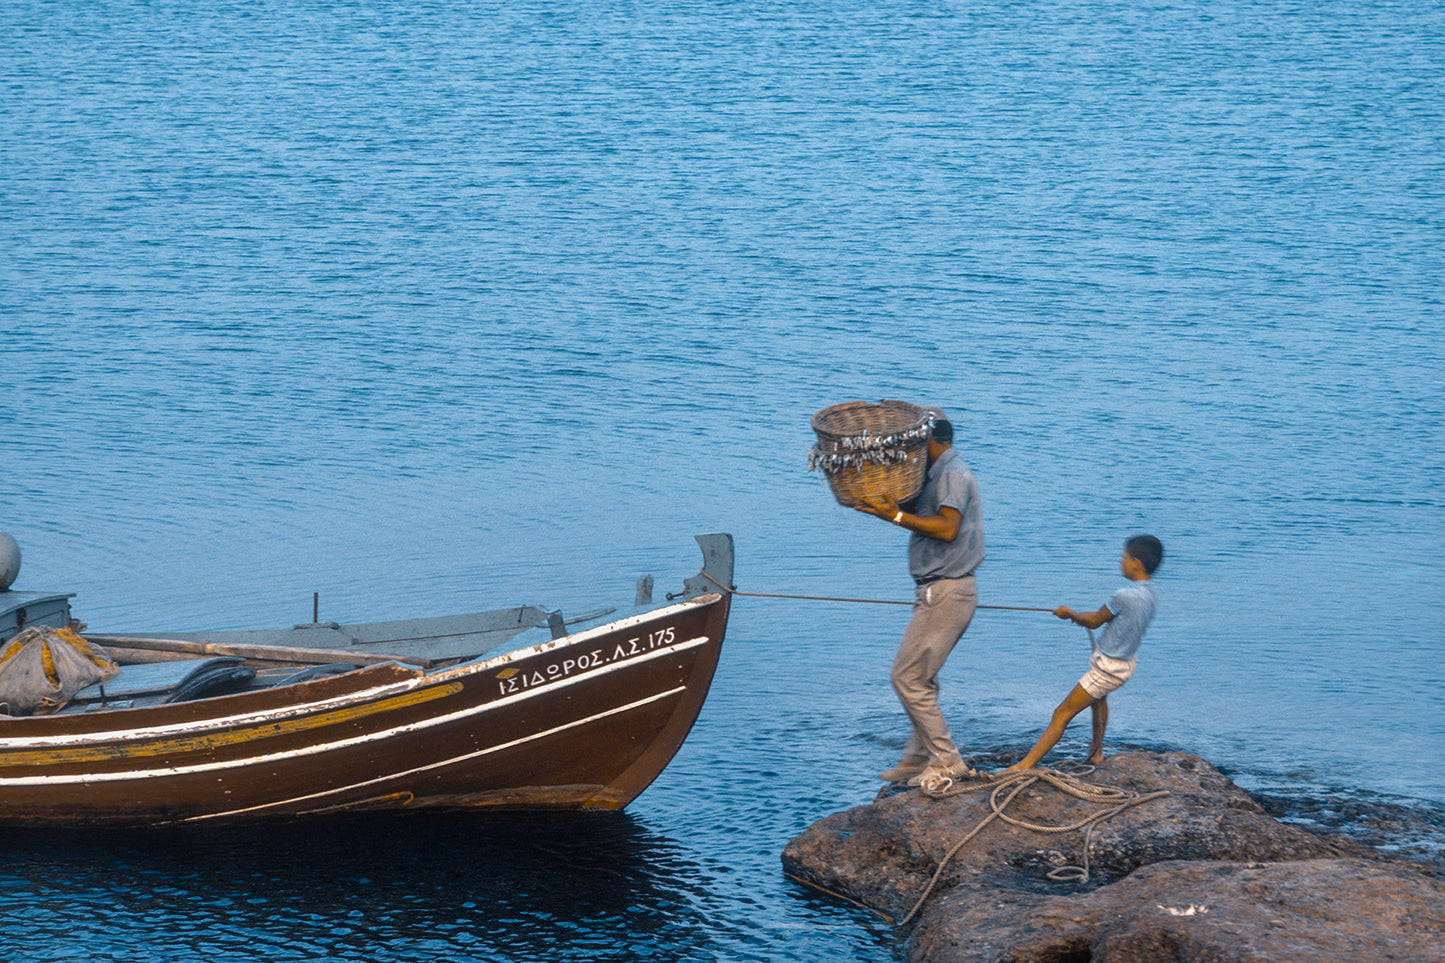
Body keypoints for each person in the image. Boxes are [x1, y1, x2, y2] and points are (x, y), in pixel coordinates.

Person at [856, 406, 986, 785]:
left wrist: (895, 518)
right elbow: (925, 514)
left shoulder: (952, 475)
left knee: (907, 678)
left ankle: (947, 760)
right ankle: (917, 759)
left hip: (947, 590)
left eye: (914, 442)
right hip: (940, 590)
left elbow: (947, 529)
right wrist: (891, 509)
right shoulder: (938, 474)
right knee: (921, 678)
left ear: (928, 440)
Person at [1002, 534, 1163, 772]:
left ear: (1136, 563)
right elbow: (1104, 617)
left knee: (1061, 713)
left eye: (1124, 558)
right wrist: (1078, 615)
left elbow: (1095, 621)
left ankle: (1025, 765)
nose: (1121, 562)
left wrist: (1070, 614)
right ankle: (1096, 753)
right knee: (1099, 700)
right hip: (1125, 663)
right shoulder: (1150, 594)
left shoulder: (1124, 595)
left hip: (1108, 668)